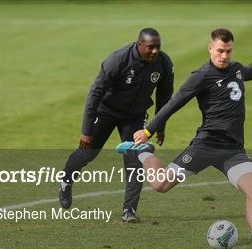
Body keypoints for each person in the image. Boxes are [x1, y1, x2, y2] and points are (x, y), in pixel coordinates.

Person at [116, 28, 252, 249]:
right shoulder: (201, 76)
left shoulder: (235, 70)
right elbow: (173, 104)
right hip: (205, 146)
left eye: (228, 51)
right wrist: (148, 132)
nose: (224, 56)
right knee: (160, 184)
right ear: (210, 48)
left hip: (233, 149)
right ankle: (144, 152)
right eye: (219, 51)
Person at [59, 28, 174, 223]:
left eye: (158, 47)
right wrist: (87, 131)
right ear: (139, 45)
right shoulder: (118, 60)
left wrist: (159, 127)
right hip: (106, 112)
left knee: (134, 159)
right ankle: (66, 180)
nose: (155, 51)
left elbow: (164, 97)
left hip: (135, 117)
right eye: (150, 47)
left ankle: (129, 211)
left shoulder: (163, 63)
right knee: (87, 153)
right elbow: (95, 93)